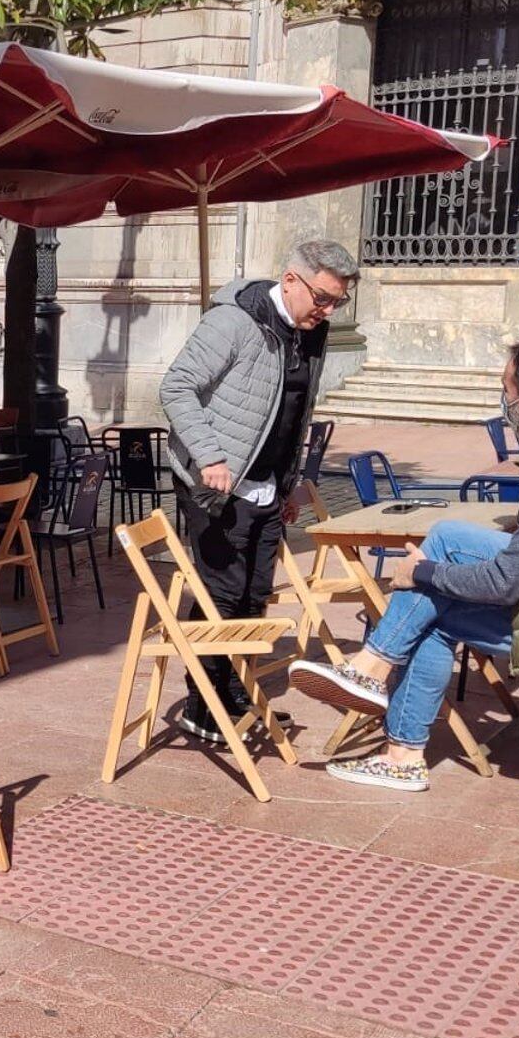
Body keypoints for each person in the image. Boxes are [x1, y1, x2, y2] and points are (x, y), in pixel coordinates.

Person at [292, 336, 519, 792]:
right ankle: (375, 676)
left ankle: (396, 740)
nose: (504, 401)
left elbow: (508, 583)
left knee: (433, 604)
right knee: (447, 538)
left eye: (507, 389)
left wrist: (419, 572)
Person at [158, 238, 358, 743]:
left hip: (267, 486)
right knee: (221, 596)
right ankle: (203, 706)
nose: (328, 310)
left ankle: (233, 692)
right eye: (322, 298)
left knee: (252, 597)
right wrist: (211, 456)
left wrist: (287, 481)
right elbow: (176, 386)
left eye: (338, 302)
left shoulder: (312, 332)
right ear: (290, 280)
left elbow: (293, 413)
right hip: (217, 485)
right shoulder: (233, 321)